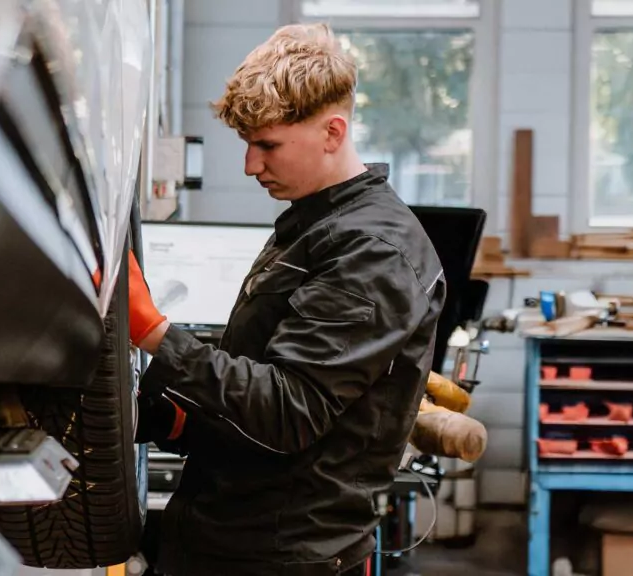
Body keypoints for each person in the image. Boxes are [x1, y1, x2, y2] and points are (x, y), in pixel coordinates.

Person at [128, 23, 447, 576]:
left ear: (333, 132)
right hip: (226, 532)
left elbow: (287, 412)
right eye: (248, 145)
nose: (251, 166)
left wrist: (153, 329)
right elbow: (264, 372)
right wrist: (175, 417)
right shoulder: (314, 224)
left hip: (278, 553)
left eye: (267, 145)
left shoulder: (372, 251)